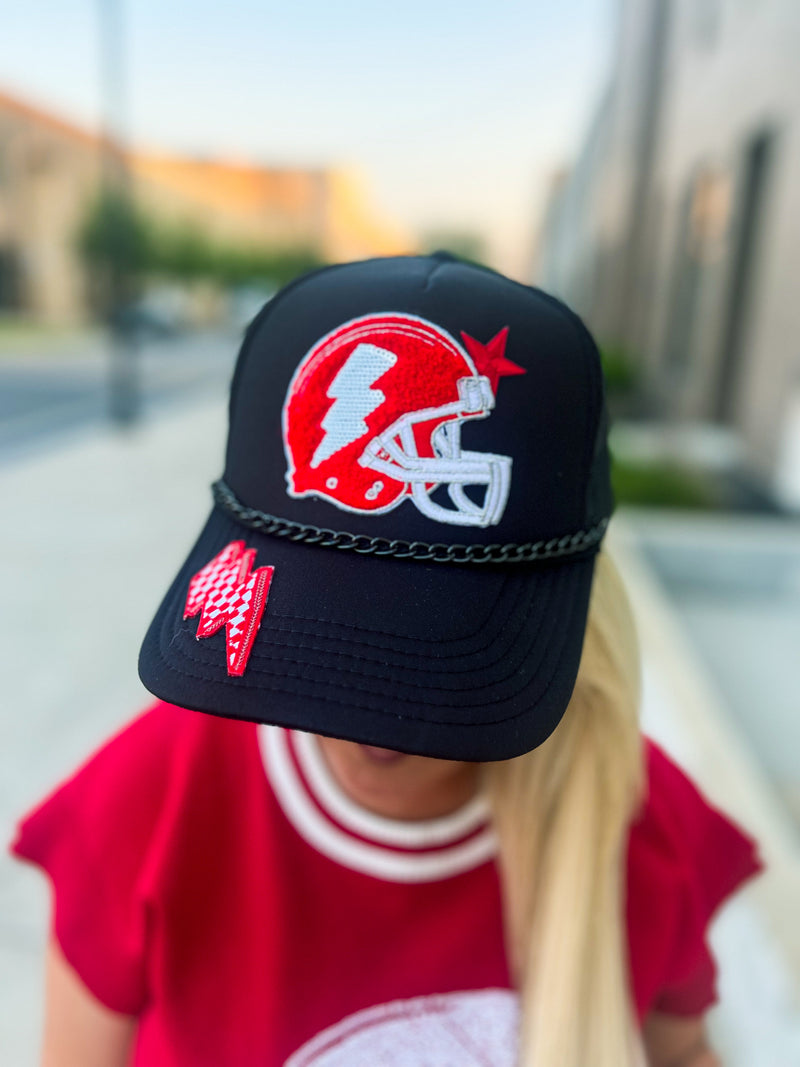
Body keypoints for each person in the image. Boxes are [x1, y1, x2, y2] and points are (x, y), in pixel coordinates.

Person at [12, 253, 760, 1067]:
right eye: (321, 637)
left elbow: (682, 1051)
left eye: (439, 654)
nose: (378, 717)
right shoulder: (150, 800)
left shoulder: (640, 824)